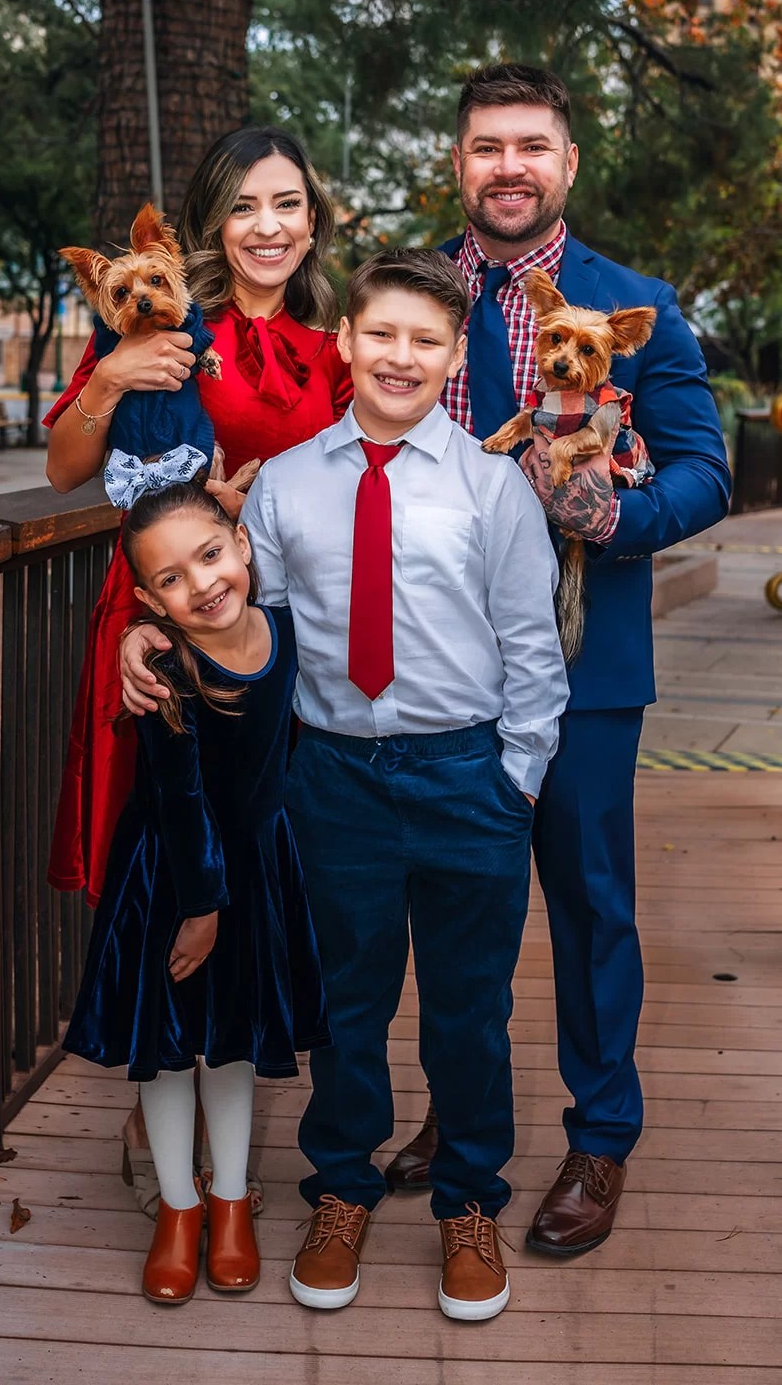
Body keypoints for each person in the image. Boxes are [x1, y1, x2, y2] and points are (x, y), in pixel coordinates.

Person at [380, 64, 732, 1254]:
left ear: (566, 162)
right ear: (458, 163)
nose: (509, 166)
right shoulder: (409, 293)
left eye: (530, 145)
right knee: (451, 904)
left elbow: (702, 469)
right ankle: (458, 1107)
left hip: (586, 668)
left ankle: (600, 1136)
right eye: (486, 146)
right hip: (438, 658)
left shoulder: (635, 304)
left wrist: (615, 516)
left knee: (587, 904)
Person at [241, 248, 568, 1319]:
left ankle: (468, 1202)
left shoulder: (490, 486)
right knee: (347, 1006)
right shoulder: (286, 483)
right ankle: (342, 1189)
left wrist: (516, 781)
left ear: (452, 357)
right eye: (380, 332)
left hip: (465, 777)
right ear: (345, 340)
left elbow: (530, 647)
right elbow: (258, 635)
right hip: (333, 779)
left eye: (425, 340)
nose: (400, 356)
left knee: (469, 1010)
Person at [44, 126, 351, 1207]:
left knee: (264, 854)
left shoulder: (337, 342)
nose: (266, 227)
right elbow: (65, 469)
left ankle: (238, 1087)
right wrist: (107, 377)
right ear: (211, 223)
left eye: (286, 204)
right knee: (166, 850)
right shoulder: (159, 317)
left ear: (312, 218)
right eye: (241, 206)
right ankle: (157, 1085)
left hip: (286, 640)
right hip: (165, 623)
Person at [63, 471, 330, 1306]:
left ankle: (231, 1200)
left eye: (211, 556)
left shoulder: (287, 632)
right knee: (171, 1048)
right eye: (171, 579)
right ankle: (178, 1208)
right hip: (174, 879)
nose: (203, 584)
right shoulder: (163, 668)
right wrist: (201, 907)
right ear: (148, 599)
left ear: (242, 546)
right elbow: (178, 798)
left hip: (255, 869)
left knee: (234, 1042)